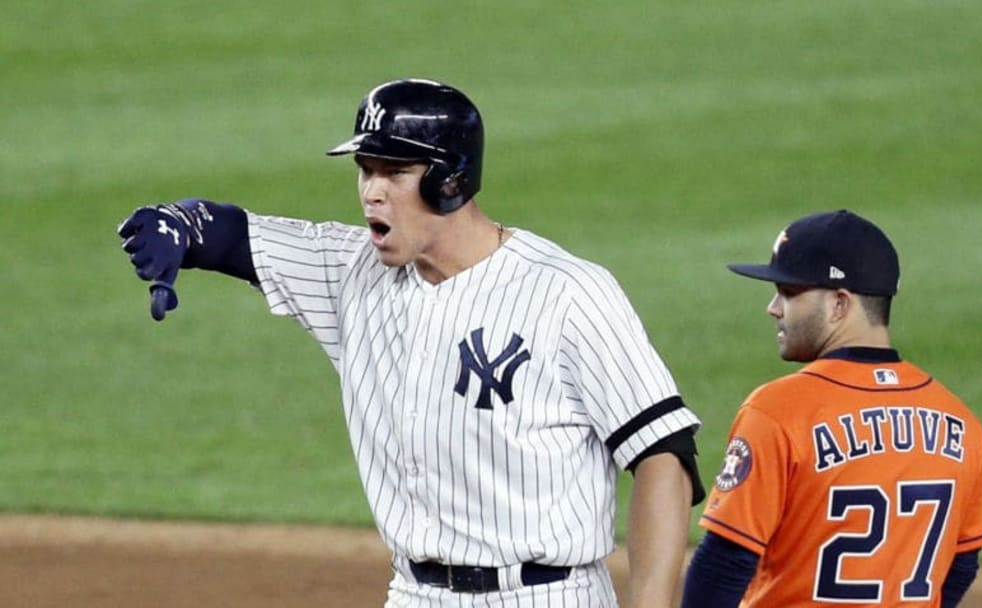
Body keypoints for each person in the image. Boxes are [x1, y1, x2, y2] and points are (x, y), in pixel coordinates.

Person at [117, 78, 705, 607]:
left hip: (545, 596)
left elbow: (661, 453)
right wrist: (176, 226)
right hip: (413, 595)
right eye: (365, 170)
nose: (371, 192)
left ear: (451, 180)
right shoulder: (352, 272)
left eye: (393, 173)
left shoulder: (567, 294)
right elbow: (229, 234)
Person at [680, 210, 982, 608]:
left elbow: (725, 562)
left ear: (840, 304)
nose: (773, 308)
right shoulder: (961, 423)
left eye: (789, 293)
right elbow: (962, 562)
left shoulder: (777, 411)